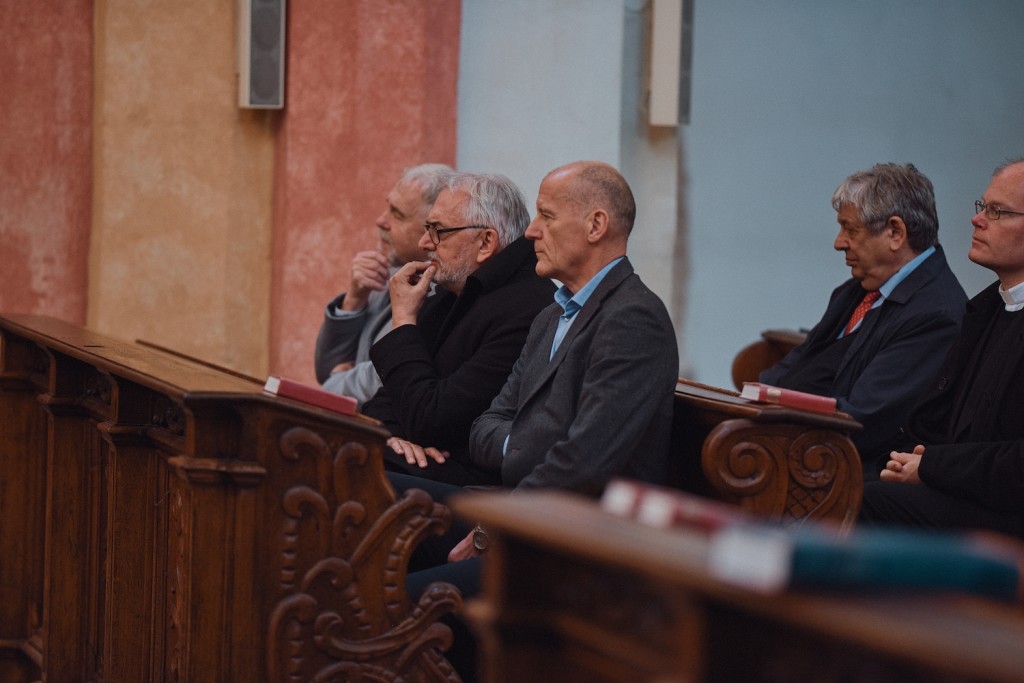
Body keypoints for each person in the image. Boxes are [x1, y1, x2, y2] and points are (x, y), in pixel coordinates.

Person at [391, 161, 679, 680]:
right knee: (380, 490)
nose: (530, 231)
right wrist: (525, 451)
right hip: (522, 506)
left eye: (546, 215)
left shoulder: (633, 318)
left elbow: (585, 461)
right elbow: (488, 423)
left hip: (584, 541)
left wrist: (489, 532)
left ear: (595, 226)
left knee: (400, 601)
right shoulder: (553, 312)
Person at [759, 163, 966, 476]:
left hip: (842, 470)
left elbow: (863, 420)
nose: (839, 242)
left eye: (850, 229)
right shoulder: (858, 288)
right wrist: (751, 401)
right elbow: (795, 366)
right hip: (792, 445)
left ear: (895, 232)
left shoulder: (937, 313)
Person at [859, 158, 1024, 538]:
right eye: (983, 207)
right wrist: (909, 462)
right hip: (965, 490)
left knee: (868, 502)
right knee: (856, 480)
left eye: (998, 212)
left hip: (1007, 515)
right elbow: (936, 420)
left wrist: (932, 468)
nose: (977, 220)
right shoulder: (987, 309)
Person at [362, 172, 556, 486]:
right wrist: (390, 437)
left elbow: (435, 421)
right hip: (417, 461)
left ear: (485, 243)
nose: (425, 243)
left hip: (473, 483)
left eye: (437, 231)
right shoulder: (455, 290)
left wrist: (403, 322)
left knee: (352, 470)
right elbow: (385, 400)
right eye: (427, 229)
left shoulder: (528, 309)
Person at [314, 163, 455, 406]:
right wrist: (354, 300)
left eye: (397, 215)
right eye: (387, 207)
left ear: (433, 228)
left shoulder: (443, 293)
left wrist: (337, 382)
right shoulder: (387, 275)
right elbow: (326, 368)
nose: (381, 221)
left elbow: (387, 374)